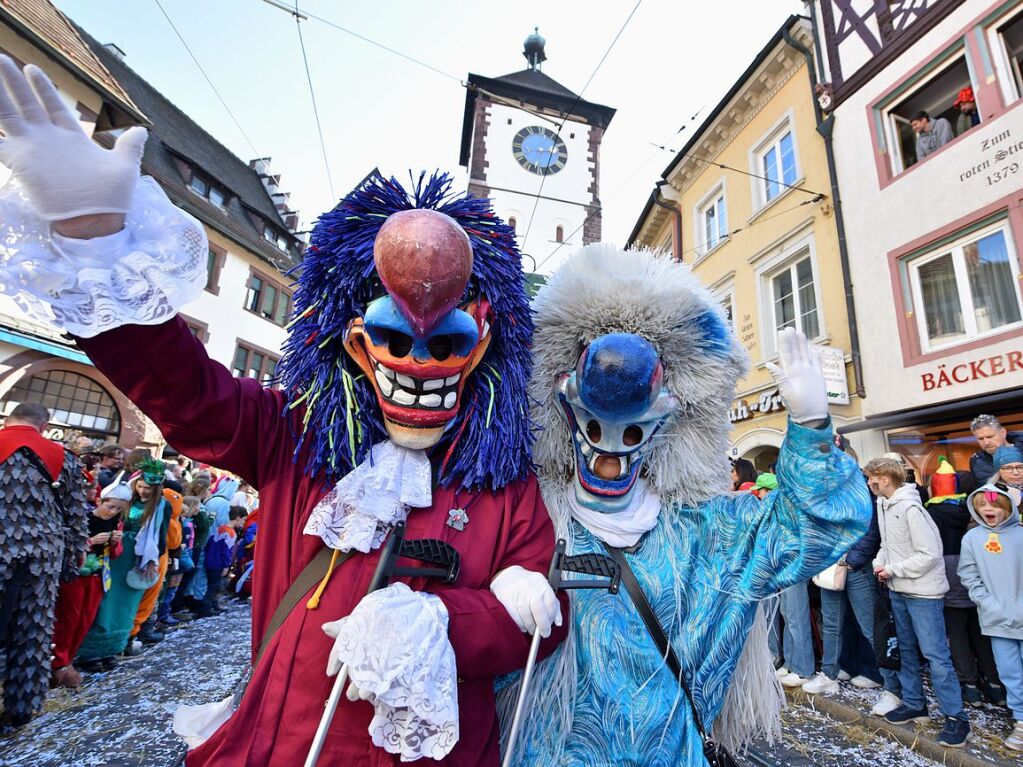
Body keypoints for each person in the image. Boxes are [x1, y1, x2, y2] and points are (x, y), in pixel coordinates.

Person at [0, 59, 565, 766]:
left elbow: (537, 623)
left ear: (482, 346)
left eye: (446, 340)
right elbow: (188, 394)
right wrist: (93, 237)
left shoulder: (506, 483)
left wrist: (448, 621)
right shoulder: (296, 434)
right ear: (355, 341)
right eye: (394, 335)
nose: (417, 364)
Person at [506, 245, 871, 764]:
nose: (609, 455)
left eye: (631, 431)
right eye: (593, 426)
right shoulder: (526, 521)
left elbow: (811, 528)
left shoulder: (709, 534)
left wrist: (813, 429)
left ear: (667, 426)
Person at [868, 456, 970, 747]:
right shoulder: (884, 504)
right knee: (906, 649)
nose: (869, 483)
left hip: (923, 593)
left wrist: (894, 569)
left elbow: (930, 553)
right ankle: (915, 703)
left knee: (936, 655)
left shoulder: (911, 508)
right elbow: (889, 545)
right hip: (898, 588)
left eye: (872, 478)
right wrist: (880, 562)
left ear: (885, 479)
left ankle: (956, 718)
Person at [0, 402, 89, 727]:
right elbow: (77, 517)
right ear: (44, 424)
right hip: (43, 553)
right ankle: (21, 707)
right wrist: (70, 563)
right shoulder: (63, 457)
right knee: (33, 629)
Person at [804, 471, 903, 715]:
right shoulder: (827, 495)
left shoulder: (861, 493)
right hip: (832, 568)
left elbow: (870, 531)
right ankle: (829, 674)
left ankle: (893, 687)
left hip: (856, 569)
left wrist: (852, 560)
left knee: (870, 627)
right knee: (832, 624)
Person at [76, 458, 170, 665]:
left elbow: (161, 535)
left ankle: (113, 648)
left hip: (137, 557)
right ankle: (90, 651)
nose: (144, 491)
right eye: (142, 486)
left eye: (149, 488)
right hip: (112, 554)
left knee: (125, 607)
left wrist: (153, 559)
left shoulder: (162, 505)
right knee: (103, 603)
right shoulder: (122, 499)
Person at [925, 469, 1007, 708]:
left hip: (947, 573)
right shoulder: (973, 511)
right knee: (982, 632)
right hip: (977, 572)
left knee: (957, 633)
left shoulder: (931, 512)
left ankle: (969, 685)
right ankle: (994, 684)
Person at [958, 484, 1023, 751]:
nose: (988, 510)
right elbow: (969, 576)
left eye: (995, 505)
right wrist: (988, 604)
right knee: (1010, 672)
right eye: (983, 505)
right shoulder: (972, 539)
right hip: (996, 620)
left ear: (1008, 508)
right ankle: (1021, 720)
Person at [57, 478, 129, 678]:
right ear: (100, 501)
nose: (112, 511)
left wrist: (115, 544)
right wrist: (90, 542)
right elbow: (67, 547)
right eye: (110, 506)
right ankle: (58, 662)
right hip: (76, 576)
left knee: (85, 621)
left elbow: (115, 555)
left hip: (98, 576)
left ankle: (68, 660)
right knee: (69, 619)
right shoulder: (84, 519)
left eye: (117, 509)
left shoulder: (116, 523)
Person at [199, 507, 246, 617]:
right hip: (218, 563)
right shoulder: (231, 533)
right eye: (243, 520)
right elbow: (225, 550)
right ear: (238, 518)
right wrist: (226, 565)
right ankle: (205, 608)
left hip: (210, 560)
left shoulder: (220, 528)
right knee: (214, 586)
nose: (243, 523)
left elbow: (211, 542)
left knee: (213, 584)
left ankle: (214, 605)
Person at [969, 414, 1020, 487]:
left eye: (990, 437)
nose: (986, 443)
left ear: (1003, 433)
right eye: (980, 439)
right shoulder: (977, 461)